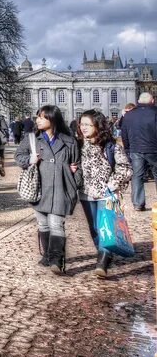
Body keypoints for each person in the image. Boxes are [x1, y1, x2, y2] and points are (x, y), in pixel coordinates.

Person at [15, 105, 81, 274]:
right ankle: (47, 255)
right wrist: (30, 159)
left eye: (42, 117)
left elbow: (78, 165)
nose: (37, 120)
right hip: (39, 188)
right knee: (43, 224)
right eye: (37, 117)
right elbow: (18, 156)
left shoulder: (69, 141)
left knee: (56, 224)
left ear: (53, 119)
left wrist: (73, 182)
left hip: (61, 187)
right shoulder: (32, 139)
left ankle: (57, 261)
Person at [75, 110, 132, 278]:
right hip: (86, 193)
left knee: (106, 227)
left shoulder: (111, 146)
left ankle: (103, 259)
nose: (84, 128)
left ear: (97, 126)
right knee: (94, 228)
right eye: (82, 124)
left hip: (108, 193)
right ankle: (104, 253)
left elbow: (126, 169)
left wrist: (112, 185)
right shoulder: (78, 145)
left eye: (88, 124)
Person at [120, 92, 157, 212]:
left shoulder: (129, 115)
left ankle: (138, 203)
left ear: (138, 101)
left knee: (137, 176)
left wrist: (127, 149)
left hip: (135, 149)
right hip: (154, 149)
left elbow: (124, 134)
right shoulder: (155, 112)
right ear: (152, 101)